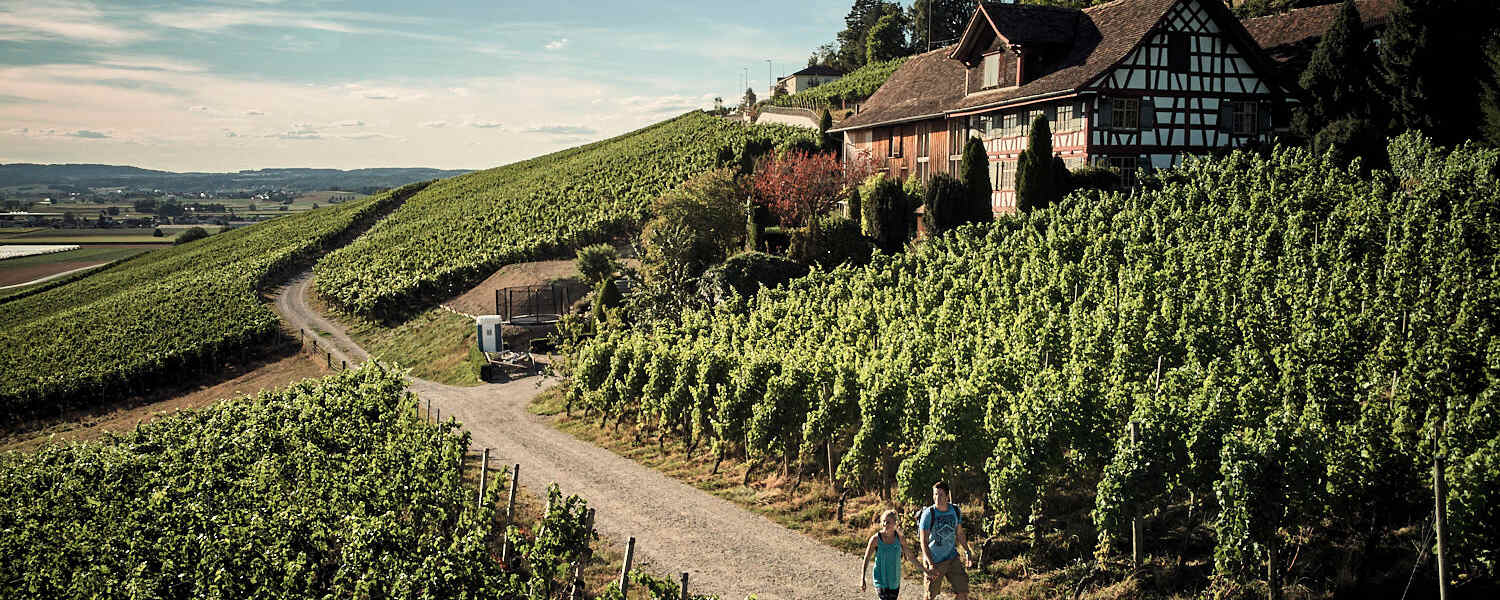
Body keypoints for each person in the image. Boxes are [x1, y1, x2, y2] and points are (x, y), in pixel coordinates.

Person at [919, 480, 976, 600]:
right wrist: (930, 564)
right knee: (930, 596)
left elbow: (959, 533)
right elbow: (923, 541)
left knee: (963, 592)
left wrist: (967, 550)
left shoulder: (955, 510)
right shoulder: (928, 514)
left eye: (940, 494)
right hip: (934, 560)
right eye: (935, 494)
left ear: (947, 496)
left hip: (951, 558)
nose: (937, 498)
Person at [861, 509, 927, 600]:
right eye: (883, 521)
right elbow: (867, 558)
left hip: (894, 580)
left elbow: (910, 557)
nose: (885, 524)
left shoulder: (900, 538)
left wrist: (925, 570)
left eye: (888, 522)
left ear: (895, 523)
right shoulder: (875, 539)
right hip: (880, 579)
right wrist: (863, 578)